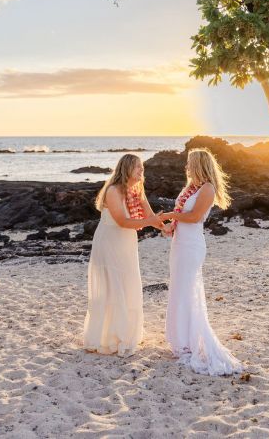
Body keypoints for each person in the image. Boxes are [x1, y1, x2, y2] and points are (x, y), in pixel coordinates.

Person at [160, 148, 243, 375]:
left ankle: (190, 340)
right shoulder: (191, 188)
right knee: (178, 289)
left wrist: (170, 216)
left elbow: (195, 217)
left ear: (198, 165)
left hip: (192, 245)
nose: (186, 167)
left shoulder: (207, 189)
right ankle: (181, 339)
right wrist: (170, 227)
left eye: (189, 163)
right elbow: (181, 213)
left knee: (188, 290)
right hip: (179, 243)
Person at [83, 154, 164, 357]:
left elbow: (149, 215)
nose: (141, 171)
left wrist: (165, 226)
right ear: (127, 168)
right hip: (110, 240)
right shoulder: (113, 190)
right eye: (138, 167)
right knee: (112, 285)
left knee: (127, 283)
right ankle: (109, 336)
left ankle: (127, 331)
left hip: (126, 242)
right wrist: (153, 221)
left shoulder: (137, 189)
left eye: (142, 168)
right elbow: (123, 222)